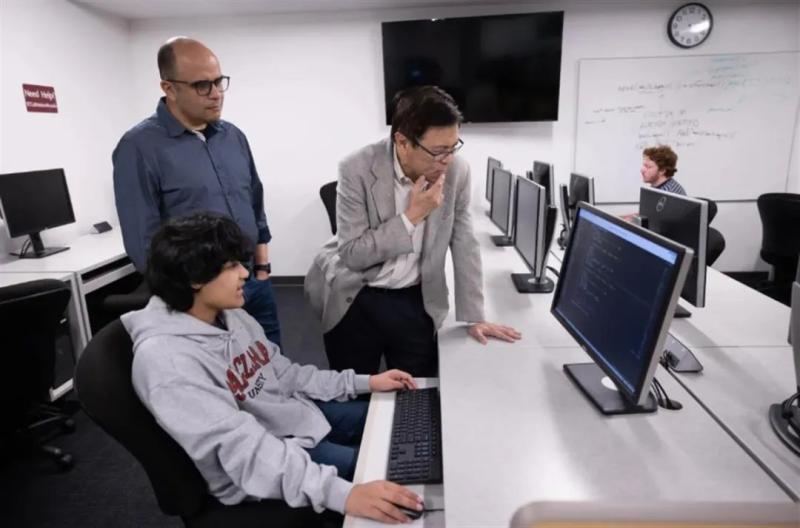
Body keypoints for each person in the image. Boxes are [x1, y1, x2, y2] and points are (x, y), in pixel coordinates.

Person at [124, 212, 424, 524]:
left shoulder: (229, 315)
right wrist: (345, 494)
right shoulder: (168, 362)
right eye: (231, 266)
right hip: (263, 461)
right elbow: (243, 452)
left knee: (396, 417)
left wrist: (365, 382)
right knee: (391, 481)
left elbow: (284, 374)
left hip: (288, 419)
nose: (245, 273)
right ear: (195, 278)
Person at [305, 85, 521, 377]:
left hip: (415, 297)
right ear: (402, 142)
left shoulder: (457, 171)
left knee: (418, 391)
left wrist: (473, 317)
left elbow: (464, 242)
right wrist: (412, 216)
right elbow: (353, 254)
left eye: (454, 147)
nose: (447, 160)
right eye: (438, 151)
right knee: (353, 391)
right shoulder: (356, 167)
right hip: (356, 295)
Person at [112, 36, 282, 347]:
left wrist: (262, 270)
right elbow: (143, 244)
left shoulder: (233, 137)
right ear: (169, 88)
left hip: (251, 282)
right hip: (196, 300)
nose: (216, 94)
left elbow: (255, 205)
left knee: (273, 369)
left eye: (219, 82)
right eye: (202, 85)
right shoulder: (138, 147)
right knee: (222, 384)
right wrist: (191, 298)